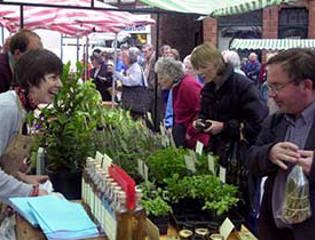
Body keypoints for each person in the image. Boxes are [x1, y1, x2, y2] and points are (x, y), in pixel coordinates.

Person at [190, 43, 268, 231]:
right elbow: (204, 112)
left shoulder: (242, 85)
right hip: (216, 152)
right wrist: (200, 122)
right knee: (217, 202)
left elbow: (258, 124)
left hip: (239, 159)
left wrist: (225, 127)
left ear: (216, 63)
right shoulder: (208, 88)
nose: (199, 72)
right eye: (197, 68)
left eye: (203, 67)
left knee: (237, 208)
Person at [248, 48, 315, 240]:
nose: (271, 95)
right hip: (275, 231)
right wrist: (269, 153)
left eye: (277, 87)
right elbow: (252, 159)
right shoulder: (276, 121)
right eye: (270, 87)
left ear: (306, 86)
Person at [0, 48, 63, 200]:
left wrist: (21, 177)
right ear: (31, 80)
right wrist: (30, 191)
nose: (60, 84)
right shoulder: (8, 109)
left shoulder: (21, 108)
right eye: (53, 77)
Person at [155, 57, 209, 149]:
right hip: (187, 138)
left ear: (171, 75)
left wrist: (190, 131)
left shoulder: (188, 85)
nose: (159, 82)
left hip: (196, 140)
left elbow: (203, 110)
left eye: (161, 78)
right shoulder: (177, 87)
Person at [0, 30, 43, 94]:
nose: (38, 59)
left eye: (40, 54)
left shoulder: (21, 69)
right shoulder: (2, 69)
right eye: (33, 54)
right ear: (17, 53)